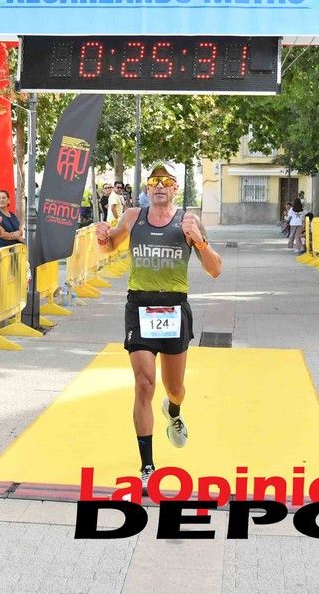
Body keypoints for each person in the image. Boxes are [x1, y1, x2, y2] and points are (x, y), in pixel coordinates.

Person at [94, 165, 222, 488]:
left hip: (175, 309)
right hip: (139, 307)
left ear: (175, 188)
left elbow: (215, 270)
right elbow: (110, 246)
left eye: (166, 182)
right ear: (148, 189)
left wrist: (200, 243)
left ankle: (174, 411)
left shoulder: (188, 222)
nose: (160, 186)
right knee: (144, 383)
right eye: (154, 182)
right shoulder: (133, 217)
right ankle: (147, 465)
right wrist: (102, 237)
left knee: (173, 387)